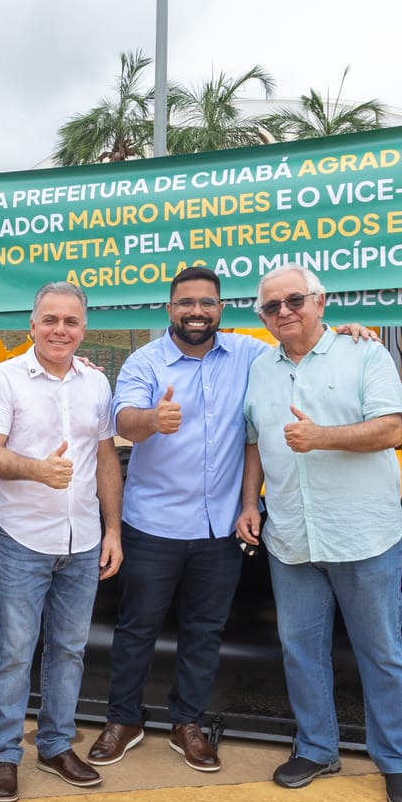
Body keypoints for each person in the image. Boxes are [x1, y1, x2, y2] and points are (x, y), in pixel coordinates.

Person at [235, 265, 402, 802]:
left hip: (363, 536)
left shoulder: (364, 354)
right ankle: (317, 747)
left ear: (321, 301)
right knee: (301, 652)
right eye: (271, 306)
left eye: (294, 300)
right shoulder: (260, 368)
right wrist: (252, 503)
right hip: (291, 537)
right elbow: (254, 442)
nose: (283, 312)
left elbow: (392, 428)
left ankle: (398, 760)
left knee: (381, 653)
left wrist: (322, 437)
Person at [92, 265, 264, 773]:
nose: (196, 311)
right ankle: (124, 720)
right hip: (154, 525)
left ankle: (187, 722)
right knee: (137, 628)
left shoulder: (250, 355)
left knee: (204, 630)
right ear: (169, 310)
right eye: (185, 303)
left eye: (206, 303)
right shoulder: (145, 362)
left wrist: (348, 334)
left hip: (220, 528)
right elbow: (124, 419)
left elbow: (299, 349)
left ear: (220, 310)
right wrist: (152, 420)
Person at [0, 281, 122, 802]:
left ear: (84, 329)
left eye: (71, 322)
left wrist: (112, 530)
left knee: (69, 649)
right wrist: (38, 470)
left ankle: (57, 745)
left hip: (82, 541)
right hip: (22, 539)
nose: (61, 329)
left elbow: (105, 458)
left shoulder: (96, 384)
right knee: (14, 651)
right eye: (51, 320)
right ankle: (5, 755)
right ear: (32, 325)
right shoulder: (5, 379)